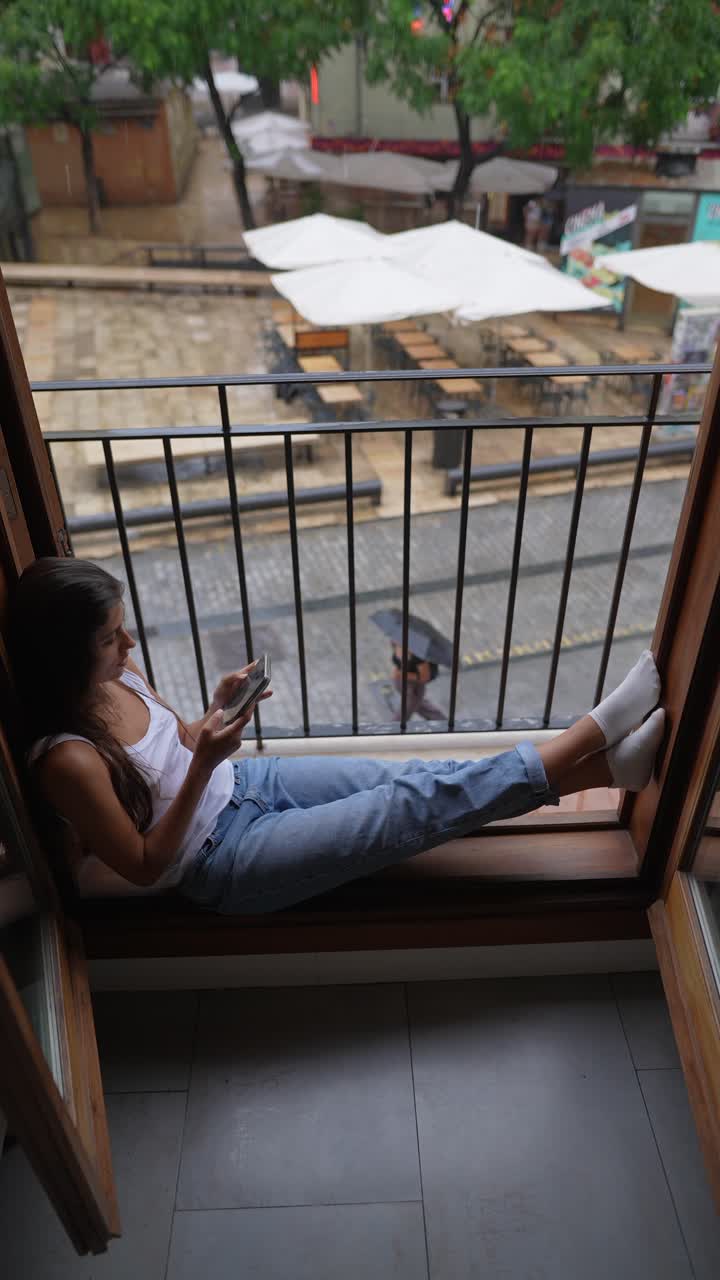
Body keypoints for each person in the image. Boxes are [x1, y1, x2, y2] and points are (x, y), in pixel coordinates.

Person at [10, 558, 665, 916]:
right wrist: (205, 764)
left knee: (410, 779)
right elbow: (144, 866)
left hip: (249, 783)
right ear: (65, 655)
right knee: (408, 806)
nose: (129, 643)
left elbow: (176, 743)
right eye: (110, 637)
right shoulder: (67, 759)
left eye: (123, 628)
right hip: (222, 860)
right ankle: (589, 733)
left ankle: (606, 771)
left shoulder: (120, 675)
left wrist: (213, 715)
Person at [388, 642, 445, 722]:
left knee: (406, 712)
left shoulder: (418, 655)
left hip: (414, 687)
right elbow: (398, 665)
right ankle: (443, 722)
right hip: (401, 683)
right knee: (423, 708)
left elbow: (424, 677)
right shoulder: (396, 645)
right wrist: (397, 673)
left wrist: (402, 674)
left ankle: (393, 728)